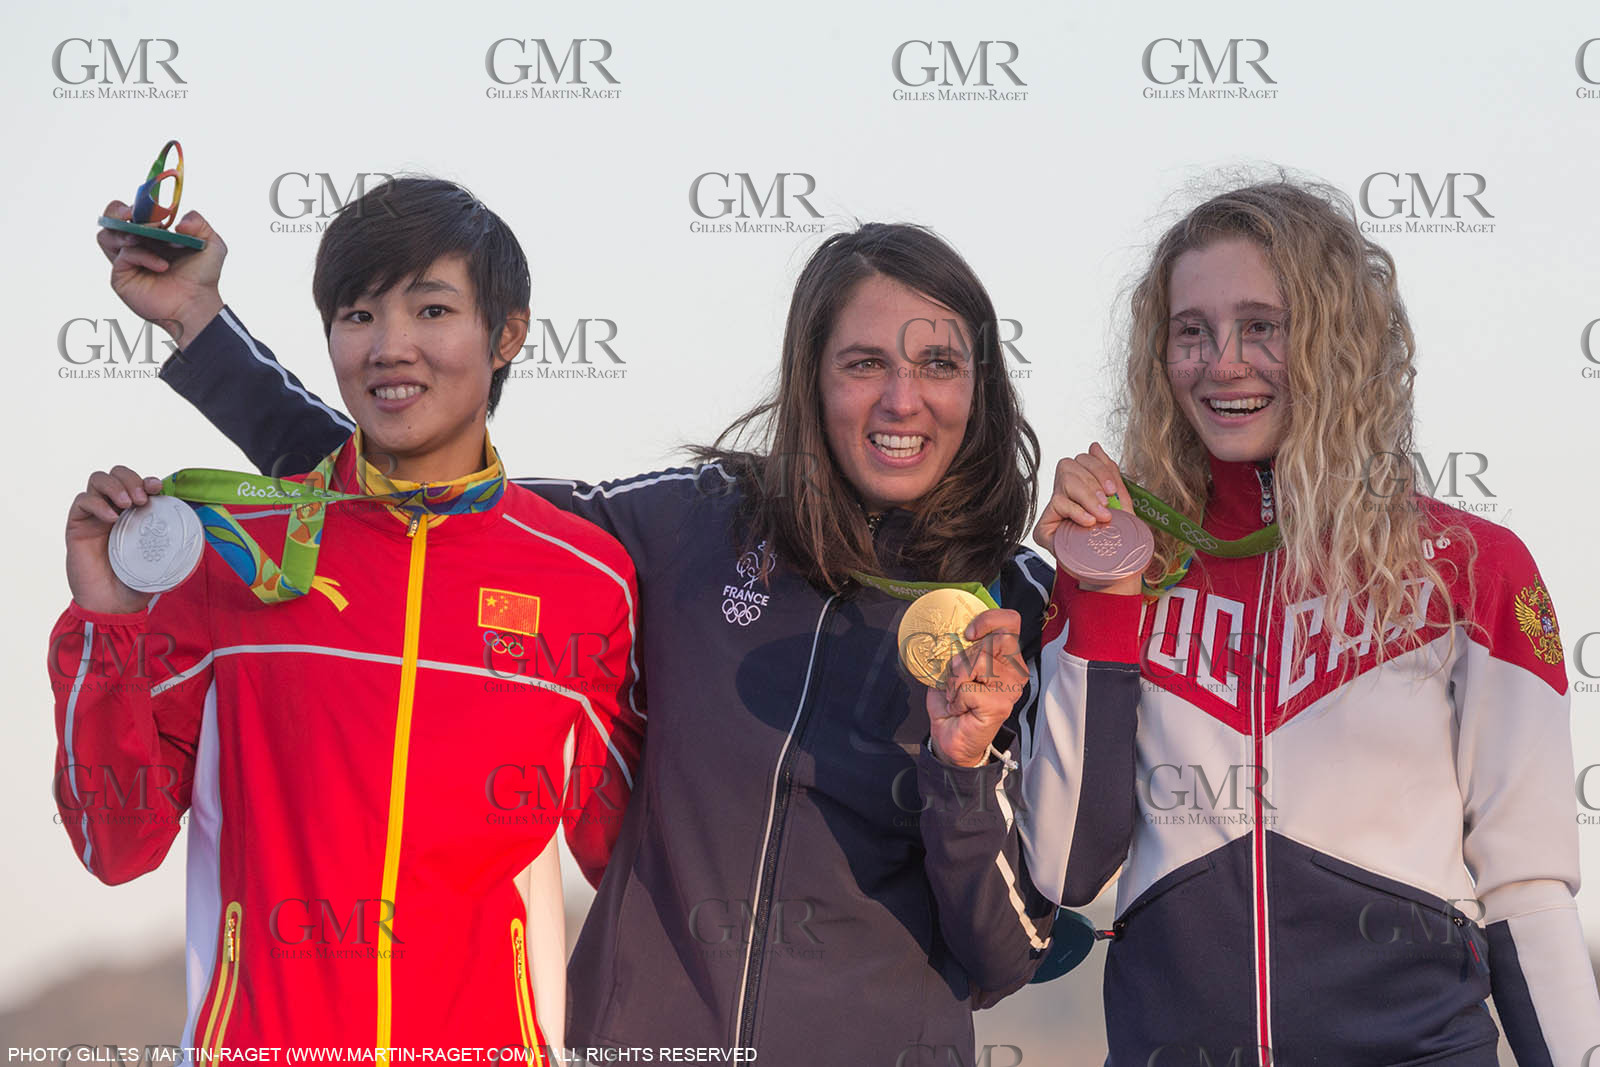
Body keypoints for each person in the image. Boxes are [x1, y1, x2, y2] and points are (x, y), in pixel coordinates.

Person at [94, 208, 1070, 1064]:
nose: (902, 399)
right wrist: (202, 330)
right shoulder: (698, 523)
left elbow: (1002, 954)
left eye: (938, 363)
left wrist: (965, 764)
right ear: (810, 375)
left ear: (979, 383)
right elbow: (420, 504)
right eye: (863, 362)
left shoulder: (1019, 607)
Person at [54, 178, 642, 1059]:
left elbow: (640, 865)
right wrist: (107, 624)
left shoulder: (583, 579)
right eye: (358, 316)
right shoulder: (232, 552)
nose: (390, 347)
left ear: (508, 334)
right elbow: (116, 843)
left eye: (432, 310)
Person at [1020, 178, 1600, 1064]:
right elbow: (1065, 866)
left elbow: (1527, 892)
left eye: (1263, 325)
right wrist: (1101, 588)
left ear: (1337, 340)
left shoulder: (1469, 568)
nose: (1223, 362)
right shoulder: (1131, 568)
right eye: (1191, 330)